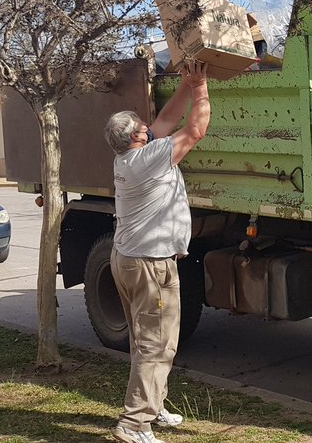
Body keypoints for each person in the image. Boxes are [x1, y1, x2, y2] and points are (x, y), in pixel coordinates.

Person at [103, 61, 210, 443]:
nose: (148, 127)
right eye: (141, 127)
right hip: (150, 265)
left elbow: (165, 119)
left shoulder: (130, 157)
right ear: (136, 137)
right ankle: (134, 423)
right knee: (157, 343)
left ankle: (154, 404)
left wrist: (183, 85)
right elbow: (195, 129)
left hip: (128, 260)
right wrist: (200, 87)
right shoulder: (150, 159)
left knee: (143, 339)